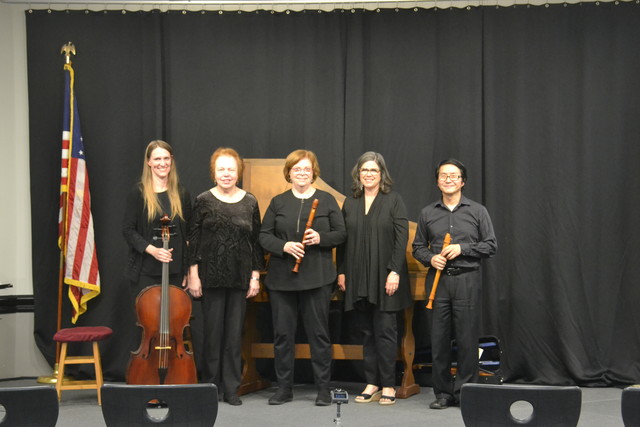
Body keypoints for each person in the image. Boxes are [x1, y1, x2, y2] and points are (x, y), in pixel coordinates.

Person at [259, 149, 346, 406]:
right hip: (282, 279)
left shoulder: (327, 200)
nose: (302, 173)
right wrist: (284, 247)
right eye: (297, 169)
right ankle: (284, 388)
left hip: (317, 278)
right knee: (283, 335)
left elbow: (341, 234)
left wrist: (320, 238)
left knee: (318, 334)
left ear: (313, 173)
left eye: (306, 169)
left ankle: (323, 388)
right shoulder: (278, 202)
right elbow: (264, 235)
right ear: (289, 172)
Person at [412, 158, 497, 409]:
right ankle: (442, 394)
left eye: (453, 175)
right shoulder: (428, 213)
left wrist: (463, 248)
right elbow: (418, 247)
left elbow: (491, 245)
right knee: (438, 340)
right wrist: (431, 258)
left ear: (463, 181)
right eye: (443, 175)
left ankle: (464, 392)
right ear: (437, 181)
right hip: (438, 283)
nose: (448, 179)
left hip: (467, 280)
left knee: (467, 339)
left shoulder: (478, 211)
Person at [186, 147, 263, 406]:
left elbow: (255, 243)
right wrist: (193, 275)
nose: (226, 174)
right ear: (214, 172)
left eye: (231, 169)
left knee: (233, 335)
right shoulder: (203, 200)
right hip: (210, 277)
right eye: (222, 169)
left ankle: (231, 388)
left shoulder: (250, 201)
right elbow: (193, 241)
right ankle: (210, 385)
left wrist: (255, 276)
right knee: (212, 334)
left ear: (238, 172)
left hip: (239, 279)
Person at [336, 152, 412, 406]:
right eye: (364, 170)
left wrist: (394, 271)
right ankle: (372, 383)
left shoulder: (394, 200)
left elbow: (401, 240)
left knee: (386, 332)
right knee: (366, 333)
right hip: (358, 276)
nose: (368, 174)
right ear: (358, 174)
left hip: (385, 276)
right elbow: (343, 241)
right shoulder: (350, 202)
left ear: (382, 174)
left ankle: (388, 384)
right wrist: (342, 271)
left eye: (374, 170)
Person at [122, 139, 192, 305]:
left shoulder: (181, 193)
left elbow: (188, 234)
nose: (162, 163)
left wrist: (187, 269)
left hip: (175, 271)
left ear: (171, 160)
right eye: (157, 159)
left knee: (174, 322)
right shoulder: (138, 192)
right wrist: (152, 250)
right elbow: (128, 229)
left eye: (166, 158)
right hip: (145, 271)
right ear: (149, 162)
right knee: (150, 324)